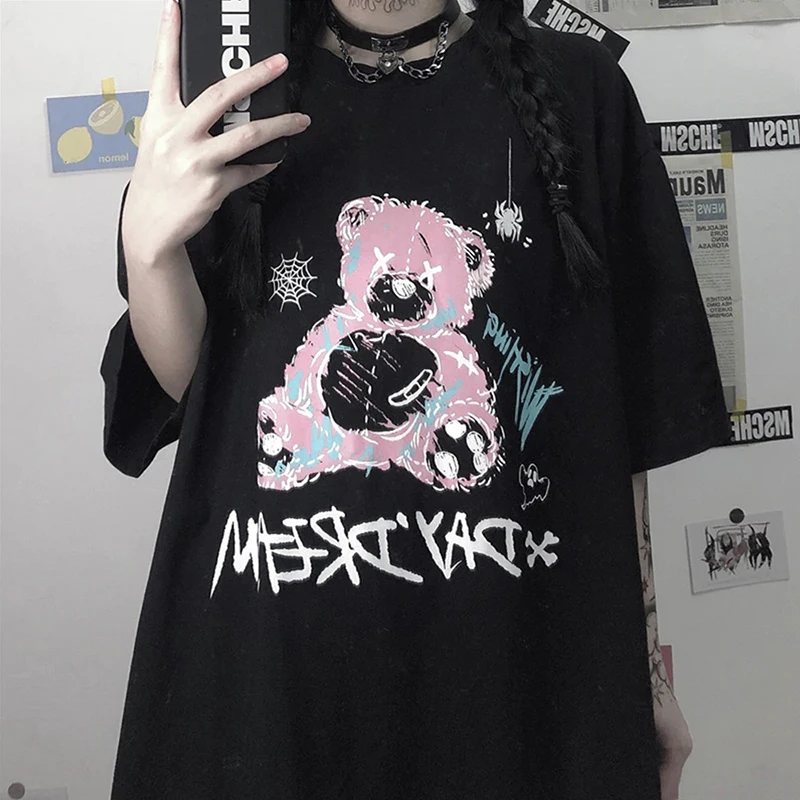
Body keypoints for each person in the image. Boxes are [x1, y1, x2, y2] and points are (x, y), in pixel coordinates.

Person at [101, 0, 732, 798]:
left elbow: (621, 418)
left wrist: (646, 668)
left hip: (520, 675)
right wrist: (149, 249)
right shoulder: (235, 92)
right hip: (263, 680)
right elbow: (183, 386)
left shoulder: (581, 90)